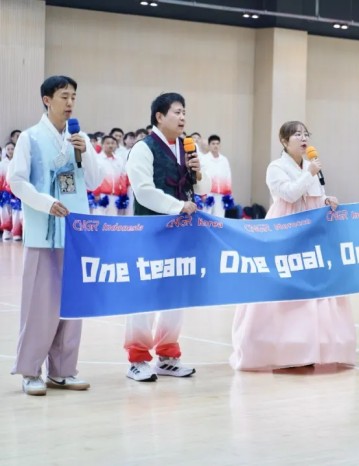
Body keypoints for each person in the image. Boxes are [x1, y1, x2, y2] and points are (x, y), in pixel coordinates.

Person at [230, 121, 356, 371]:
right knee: (284, 285)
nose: (303, 138)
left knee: (314, 287)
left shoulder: (311, 166)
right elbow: (289, 194)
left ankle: (310, 348)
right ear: (284, 141)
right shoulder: (276, 167)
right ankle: (282, 349)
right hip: (285, 230)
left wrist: (326, 199)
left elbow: (314, 195)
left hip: (311, 233)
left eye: (306, 134)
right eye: (297, 134)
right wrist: (309, 174)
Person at [7, 75, 102, 395]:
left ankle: (63, 370)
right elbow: (17, 182)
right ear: (47, 100)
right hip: (43, 233)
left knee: (72, 305)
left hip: (75, 233)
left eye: (73, 96)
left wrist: (86, 152)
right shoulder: (30, 138)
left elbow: (94, 181)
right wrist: (46, 203)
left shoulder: (79, 138)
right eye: (64, 96)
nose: (70, 102)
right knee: (40, 306)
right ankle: (30, 371)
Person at [124, 92, 211, 382]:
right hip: (150, 231)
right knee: (145, 293)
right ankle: (137, 359)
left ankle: (168, 355)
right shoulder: (143, 148)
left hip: (181, 233)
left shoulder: (187, 148)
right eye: (177, 112)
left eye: (184, 112)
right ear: (159, 117)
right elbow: (143, 191)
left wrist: (198, 172)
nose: (183, 117)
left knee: (176, 293)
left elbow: (203, 189)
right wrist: (177, 206)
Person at [201, 134, 233, 218]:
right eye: (213, 144)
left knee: (219, 217)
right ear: (209, 145)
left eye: (217, 144)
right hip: (208, 193)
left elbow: (228, 177)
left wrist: (228, 193)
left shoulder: (224, 160)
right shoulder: (204, 159)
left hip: (221, 194)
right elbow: (201, 177)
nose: (215, 146)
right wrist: (202, 194)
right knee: (207, 216)